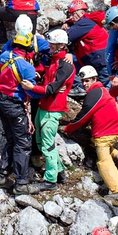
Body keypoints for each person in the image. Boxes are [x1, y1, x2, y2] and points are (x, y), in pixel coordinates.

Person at [61, 65, 118, 200]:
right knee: (92, 141)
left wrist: (68, 128)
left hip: (105, 133)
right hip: (114, 130)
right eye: (83, 81)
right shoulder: (101, 91)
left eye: (88, 80)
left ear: (94, 79)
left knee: (103, 161)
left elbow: (84, 116)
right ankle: (117, 155)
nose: (85, 84)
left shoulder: (94, 94)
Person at [28, 29, 77, 192]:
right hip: (44, 106)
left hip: (52, 108)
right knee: (42, 141)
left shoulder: (65, 66)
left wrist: (32, 87)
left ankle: (50, 180)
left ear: (61, 46)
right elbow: (49, 82)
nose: (49, 46)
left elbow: (51, 88)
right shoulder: (54, 60)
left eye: (53, 44)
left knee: (47, 144)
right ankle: (59, 171)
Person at [0, 31, 40, 192]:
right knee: (23, 142)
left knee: (11, 139)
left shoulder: (4, 57)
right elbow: (31, 92)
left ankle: (2, 176)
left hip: (1, 101)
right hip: (15, 105)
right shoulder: (27, 67)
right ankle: (21, 183)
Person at [66, 0, 111, 81]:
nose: (71, 17)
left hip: (98, 60)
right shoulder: (88, 20)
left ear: (80, 13)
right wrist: (68, 23)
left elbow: (67, 36)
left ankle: (78, 87)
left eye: (73, 14)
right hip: (100, 58)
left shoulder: (84, 23)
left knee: (105, 84)